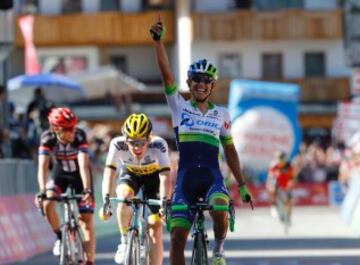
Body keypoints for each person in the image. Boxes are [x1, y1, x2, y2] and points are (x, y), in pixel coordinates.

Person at [150, 21, 252, 265]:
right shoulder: (179, 106)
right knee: (176, 237)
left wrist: (243, 184)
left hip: (211, 177)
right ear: (190, 82)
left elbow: (230, 150)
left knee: (219, 206)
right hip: (185, 180)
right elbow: (166, 74)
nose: (200, 84)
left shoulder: (223, 114)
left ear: (212, 86)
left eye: (206, 80)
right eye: (196, 79)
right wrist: (158, 42)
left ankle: (218, 251)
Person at [100, 113, 171, 265]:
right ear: (126, 140)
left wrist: (165, 204)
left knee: (155, 230)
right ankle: (125, 241)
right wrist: (106, 199)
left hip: (154, 180)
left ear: (149, 138)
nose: (137, 148)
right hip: (130, 175)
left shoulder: (159, 144)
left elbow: (165, 177)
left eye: (142, 143)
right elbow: (109, 173)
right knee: (124, 197)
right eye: (132, 143)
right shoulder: (117, 144)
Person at [35, 107, 95, 265]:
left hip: (80, 177)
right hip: (60, 174)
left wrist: (87, 189)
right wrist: (42, 191)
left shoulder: (79, 135)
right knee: (48, 203)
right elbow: (42, 166)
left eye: (73, 127)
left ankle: (90, 260)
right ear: (55, 129)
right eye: (67, 129)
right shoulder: (47, 138)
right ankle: (60, 237)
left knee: (86, 220)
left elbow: (83, 164)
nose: (72, 131)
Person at [266, 151, 295, 219]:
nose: (281, 161)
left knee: (289, 198)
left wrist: (290, 184)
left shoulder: (289, 166)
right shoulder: (274, 165)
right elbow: (270, 176)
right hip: (277, 183)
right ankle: (273, 206)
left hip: (286, 183)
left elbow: (292, 178)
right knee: (272, 186)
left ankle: (289, 215)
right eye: (279, 159)